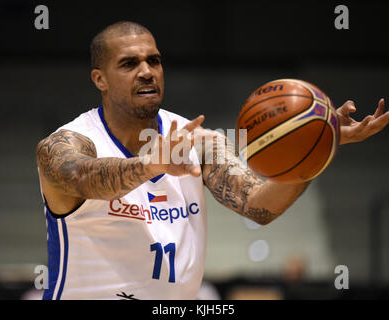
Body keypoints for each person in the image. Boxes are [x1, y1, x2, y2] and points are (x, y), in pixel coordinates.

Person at [35, 21, 389, 300]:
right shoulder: (67, 144)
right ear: (100, 79)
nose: (147, 71)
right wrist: (149, 165)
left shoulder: (199, 142)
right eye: (129, 63)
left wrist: (316, 145)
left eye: (154, 61)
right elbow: (83, 176)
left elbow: (259, 206)